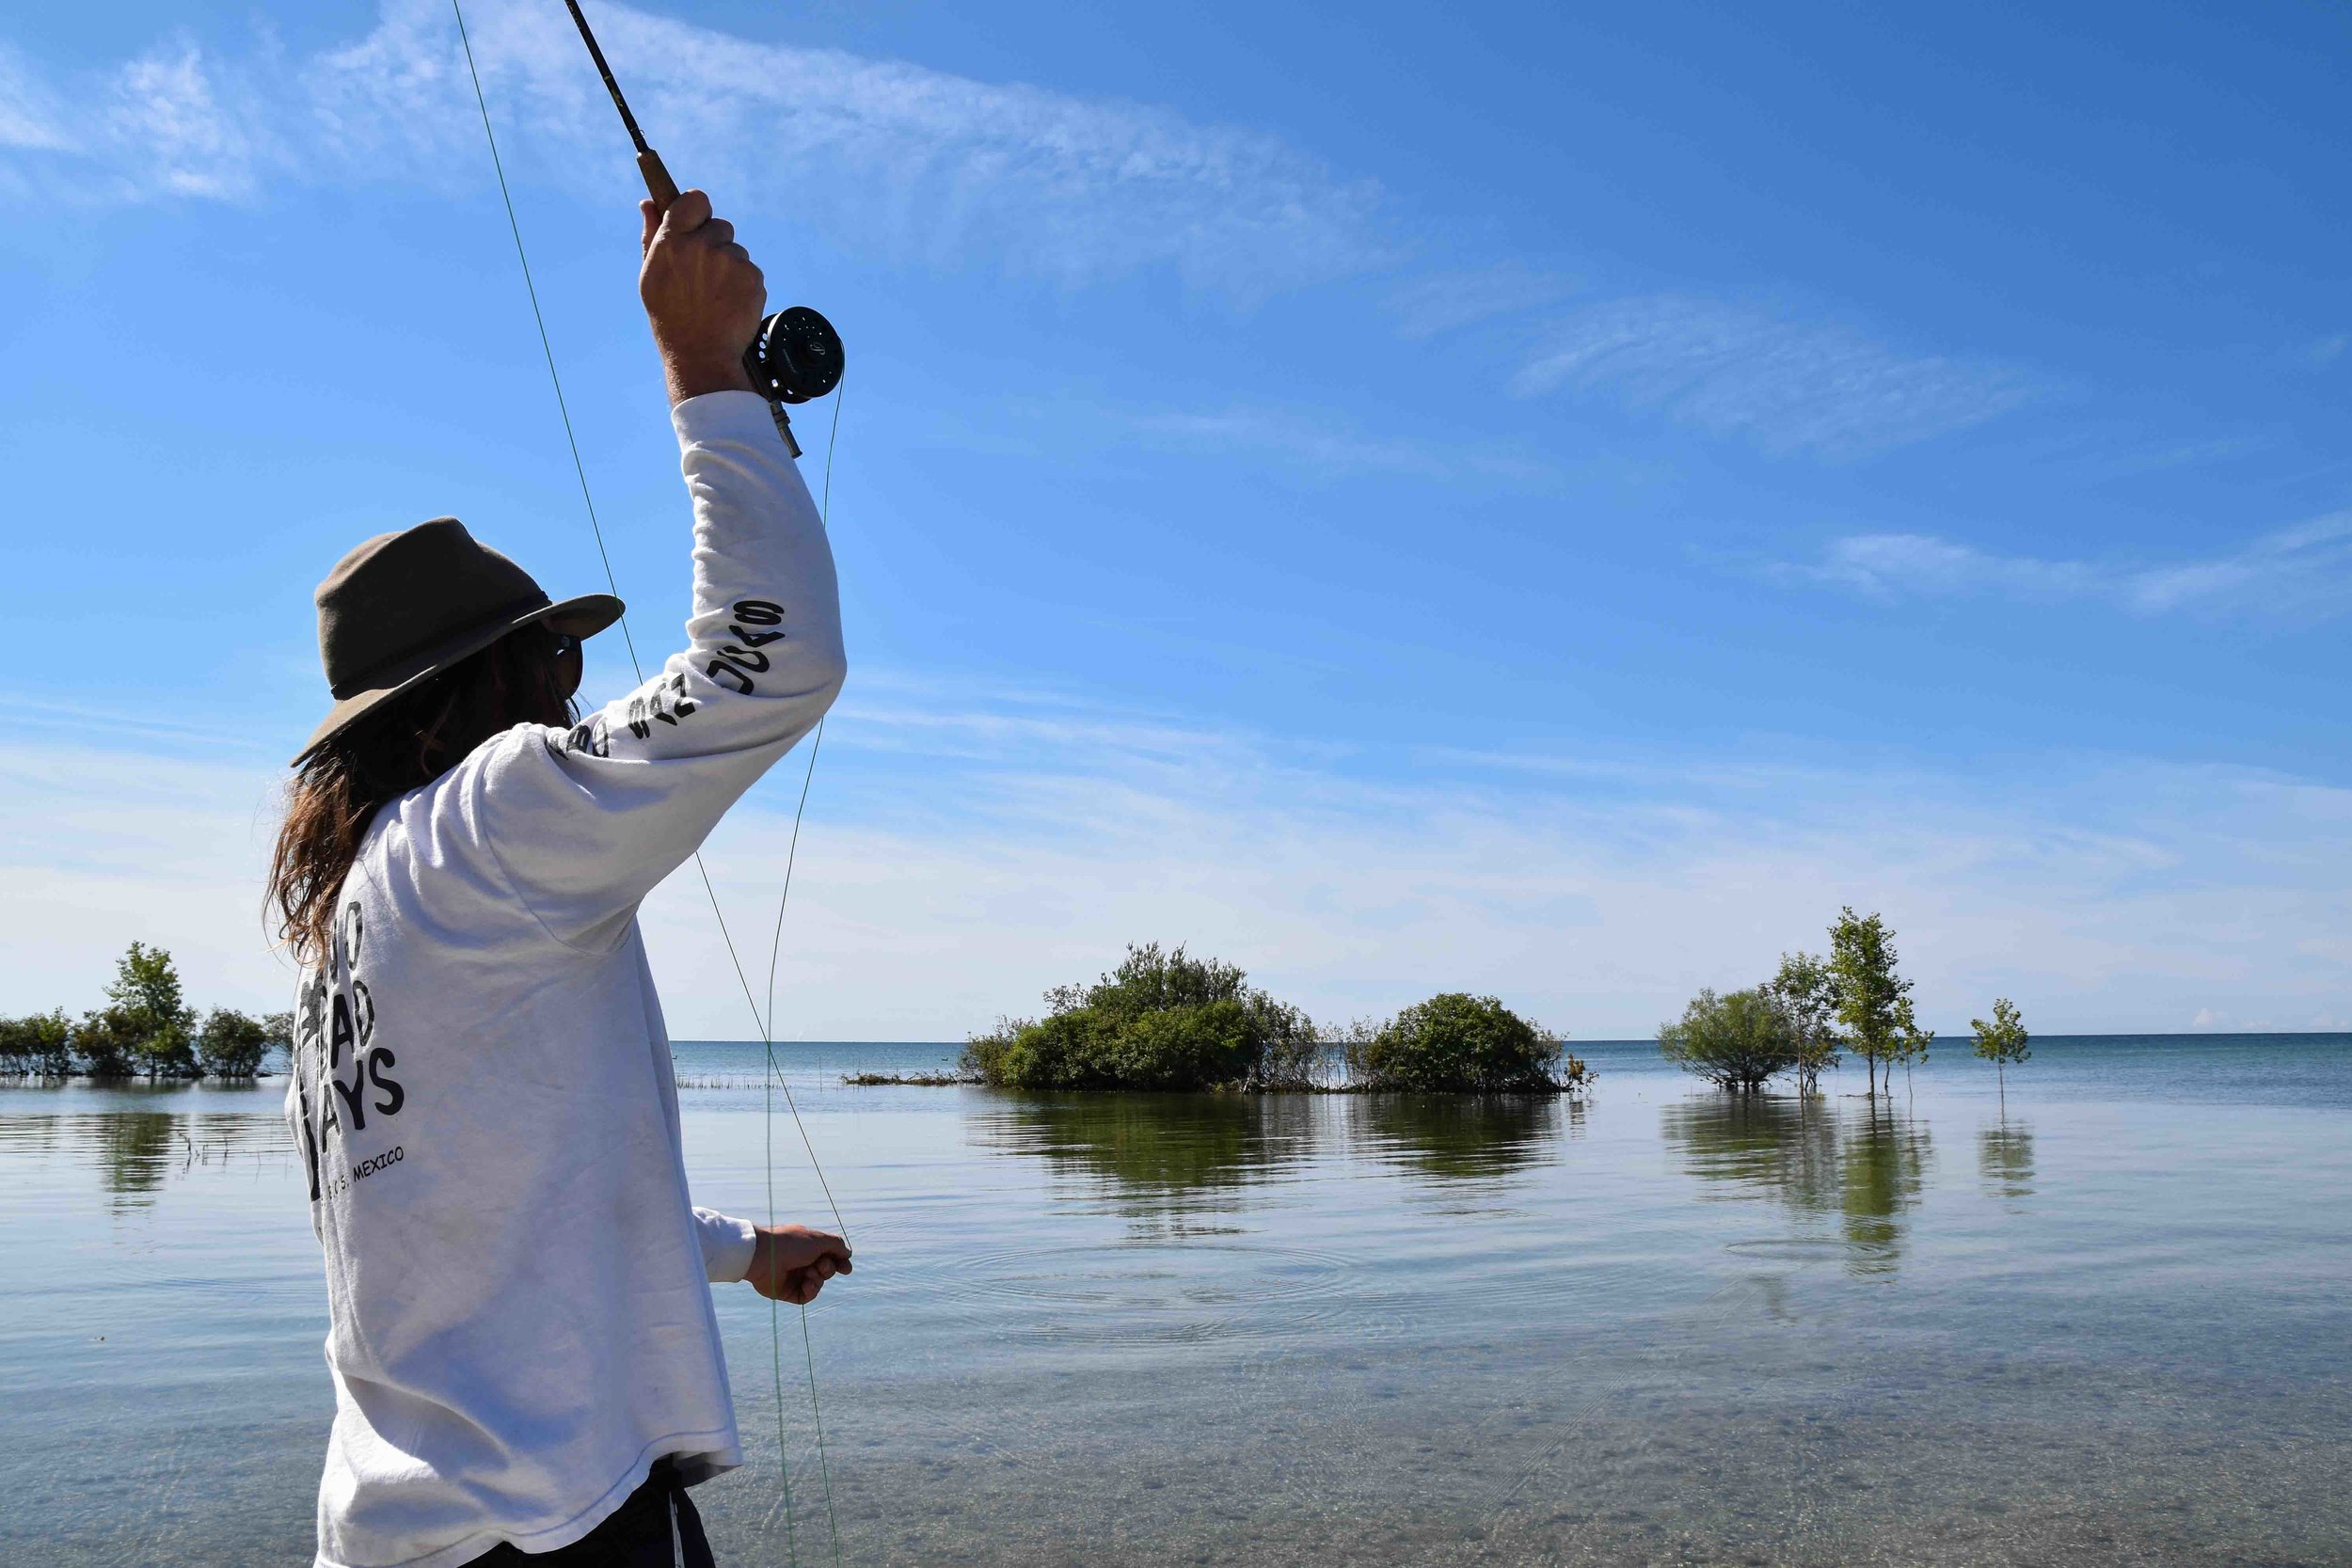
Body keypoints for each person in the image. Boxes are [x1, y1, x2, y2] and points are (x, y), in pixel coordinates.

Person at [268, 189, 851, 1568]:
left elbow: (499, 1196)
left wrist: (739, 1246)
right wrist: (706, 367)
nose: (568, 697)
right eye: (555, 664)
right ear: (484, 687)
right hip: (560, 1533)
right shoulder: (483, 827)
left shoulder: (350, 933)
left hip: (396, 1536)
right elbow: (771, 662)